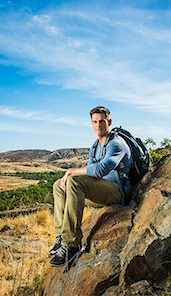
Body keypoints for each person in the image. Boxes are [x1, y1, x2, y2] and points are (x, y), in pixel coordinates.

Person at [49, 106, 132, 267]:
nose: (98, 125)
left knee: (73, 180)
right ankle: (60, 237)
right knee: (59, 185)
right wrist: (67, 177)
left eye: (101, 121)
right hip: (100, 191)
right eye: (94, 122)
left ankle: (71, 245)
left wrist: (71, 171)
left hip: (116, 191)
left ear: (109, 122)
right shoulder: (95, 146)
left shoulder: (116, 144)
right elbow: (90, 173)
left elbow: (100, 170)